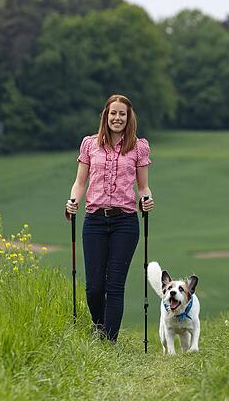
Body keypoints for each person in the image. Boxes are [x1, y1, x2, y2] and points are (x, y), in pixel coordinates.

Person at [65, 94, 154, 342]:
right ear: (106, 115)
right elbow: (80, 182)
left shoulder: (138, 147)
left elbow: (143, 186)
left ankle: (109, 342)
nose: (117, 118)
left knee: (114, 285)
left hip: (125, 222)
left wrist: (146, 199)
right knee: (94, 287)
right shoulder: (90, 145)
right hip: (94, 219)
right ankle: (99, 326)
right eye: (113, 113)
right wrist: (73, 201)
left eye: (122, 114)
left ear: (129, 118)